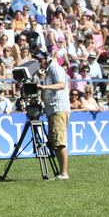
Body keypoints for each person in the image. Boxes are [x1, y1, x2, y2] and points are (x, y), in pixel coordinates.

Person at [38, 50, 71, 179]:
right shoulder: (50, 71)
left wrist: (45, 88)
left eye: (41, 60)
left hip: (58, 108)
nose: (40, 62)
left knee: (59, 141)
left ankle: (64, 173)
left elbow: (61, 85)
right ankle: (61, 172)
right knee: (55, 142)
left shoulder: (55, 69)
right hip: (53, 109)